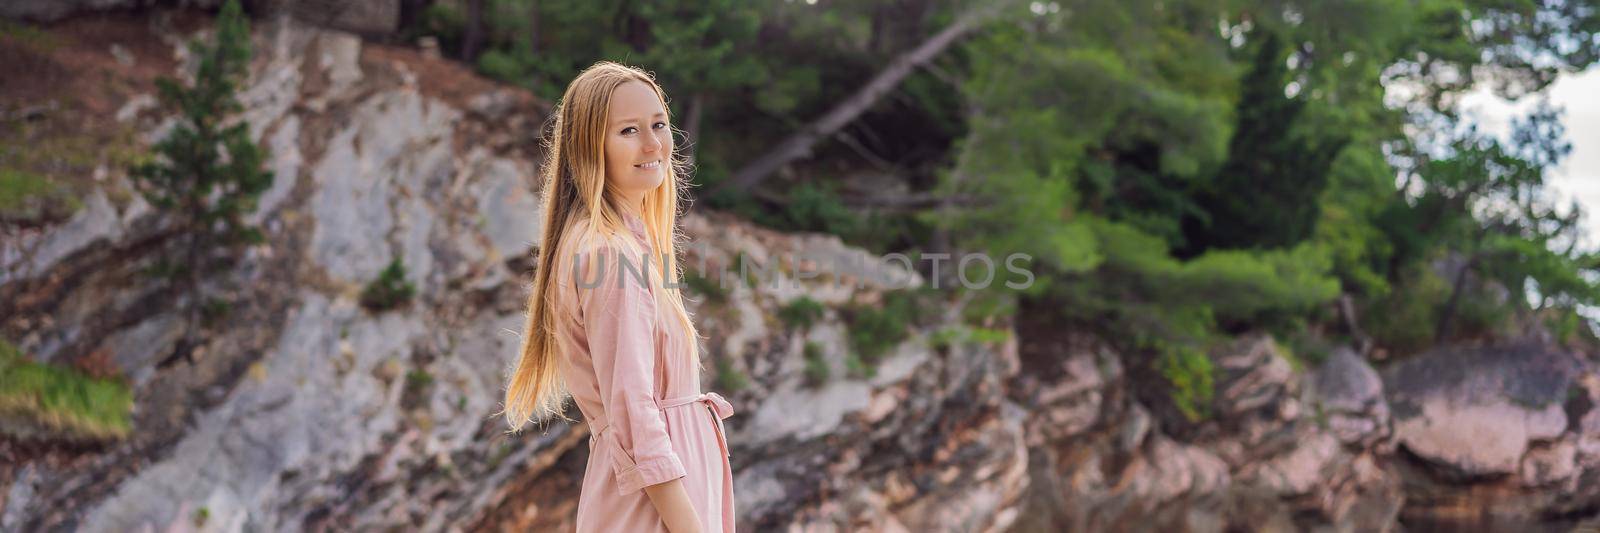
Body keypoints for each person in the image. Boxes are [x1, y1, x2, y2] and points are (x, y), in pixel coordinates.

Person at [500, 61, 736, 533]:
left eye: (659, 124)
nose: (653, 144)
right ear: (591, 148)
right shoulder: (608, 255)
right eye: (628, 130)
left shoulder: (625, 245)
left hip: (667, 499)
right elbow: (633, 414)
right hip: (655, 512)